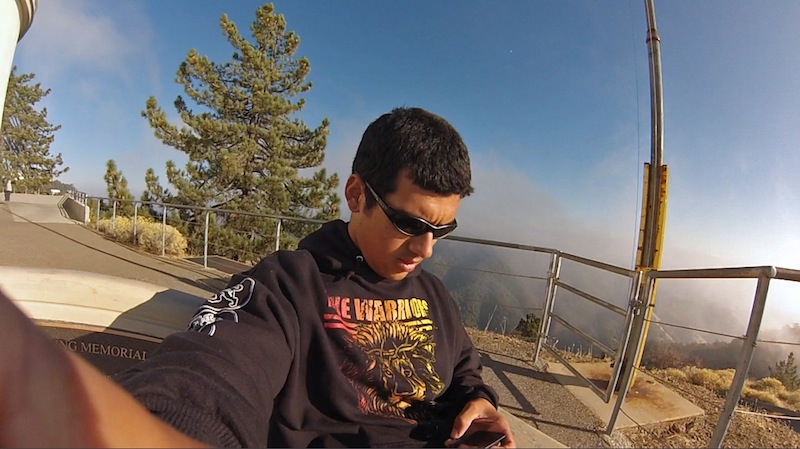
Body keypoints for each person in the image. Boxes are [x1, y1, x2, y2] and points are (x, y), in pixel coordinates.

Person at [0, 107, 515, 448]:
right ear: (356, 195)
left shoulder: (435, 295)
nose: (425, 249)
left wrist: (480, 402)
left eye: (442, 230)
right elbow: (207, 378)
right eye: (410, 223)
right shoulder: (288, 286)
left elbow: (465, 367)